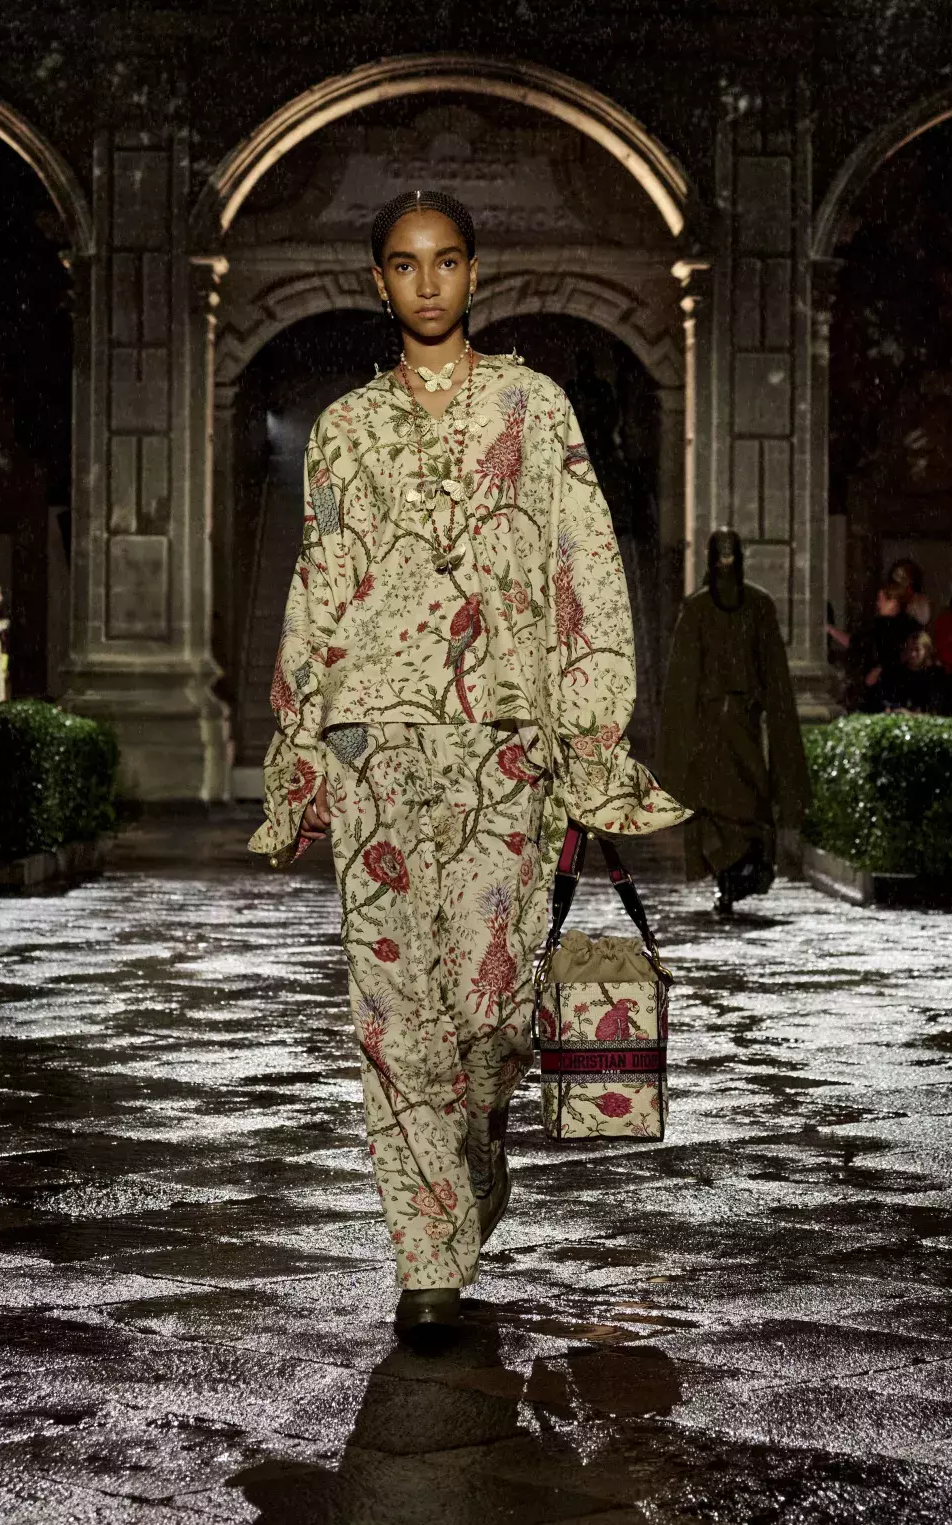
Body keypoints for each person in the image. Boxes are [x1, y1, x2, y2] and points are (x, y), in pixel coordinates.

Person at [248, 189, 687, 1350]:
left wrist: (588, 734)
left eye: (445, 261)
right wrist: (301, 749)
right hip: (374, 751)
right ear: (380, 281)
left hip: (505, 748)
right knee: (393, 1015)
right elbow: (318, 583)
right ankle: (427, 1254)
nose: (427, 282)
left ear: (473, 273)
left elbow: (584, 567)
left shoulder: (533, 409)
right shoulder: (344, 428)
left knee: (489, 1008)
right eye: (404, 264)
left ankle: (475, 1155)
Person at [657, 526, 811, 915]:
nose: (726, 563)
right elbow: (682, 683)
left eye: (731, 554)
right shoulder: (699, 610)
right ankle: (727, 882)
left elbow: (773, 675)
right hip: (711, 731)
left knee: (745, 804)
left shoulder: (756, 606)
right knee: (717, 808)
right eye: (721, 555)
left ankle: (737, 878)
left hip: (742, 727)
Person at [851, 585, 919, 711]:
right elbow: (855, 643)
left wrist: (880, 669)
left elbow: (904, 654)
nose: (878, 604)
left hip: (899, 683)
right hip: (878, 686)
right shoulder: (875, 625)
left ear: (894, 602)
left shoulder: (908, 626)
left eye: (882, 600)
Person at [875, 629, 952, 714]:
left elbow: (935, 707)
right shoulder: (897, 672)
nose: (913, 654)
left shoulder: (935, 675)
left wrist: (912, 714)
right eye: (910, 649)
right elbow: (887, 699)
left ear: (926, 651)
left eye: (917, 650)